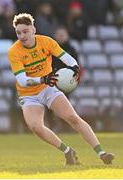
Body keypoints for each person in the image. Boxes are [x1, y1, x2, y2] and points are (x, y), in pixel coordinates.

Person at [8, 13, 115, 165]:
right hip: (29, 94)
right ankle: (67, 151)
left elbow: (67, 58)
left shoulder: (46, 42)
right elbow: (22, 80)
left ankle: (102, 153)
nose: (22, 36)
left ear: (33, 29)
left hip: (48, 87)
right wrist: (42, 78)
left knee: (72, 118)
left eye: (25, 31)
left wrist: (75, 68)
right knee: (35, 127)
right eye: (19, 33)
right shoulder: (14, 51)